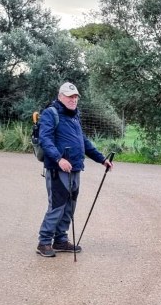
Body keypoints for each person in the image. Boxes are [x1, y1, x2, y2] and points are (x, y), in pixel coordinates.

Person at [36, 82, 114, 257]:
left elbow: (83, 142)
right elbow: (45, 139)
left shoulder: (74, 116)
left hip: (75, 168)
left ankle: (60, 240)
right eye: (69, 96)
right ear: (60, 96)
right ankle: (44, 242)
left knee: (70, 206)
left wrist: (102, 159)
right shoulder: (51, 113)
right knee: (57, 206)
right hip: (58, 169)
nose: (73, 99)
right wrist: (58, 158)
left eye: (75, 96)